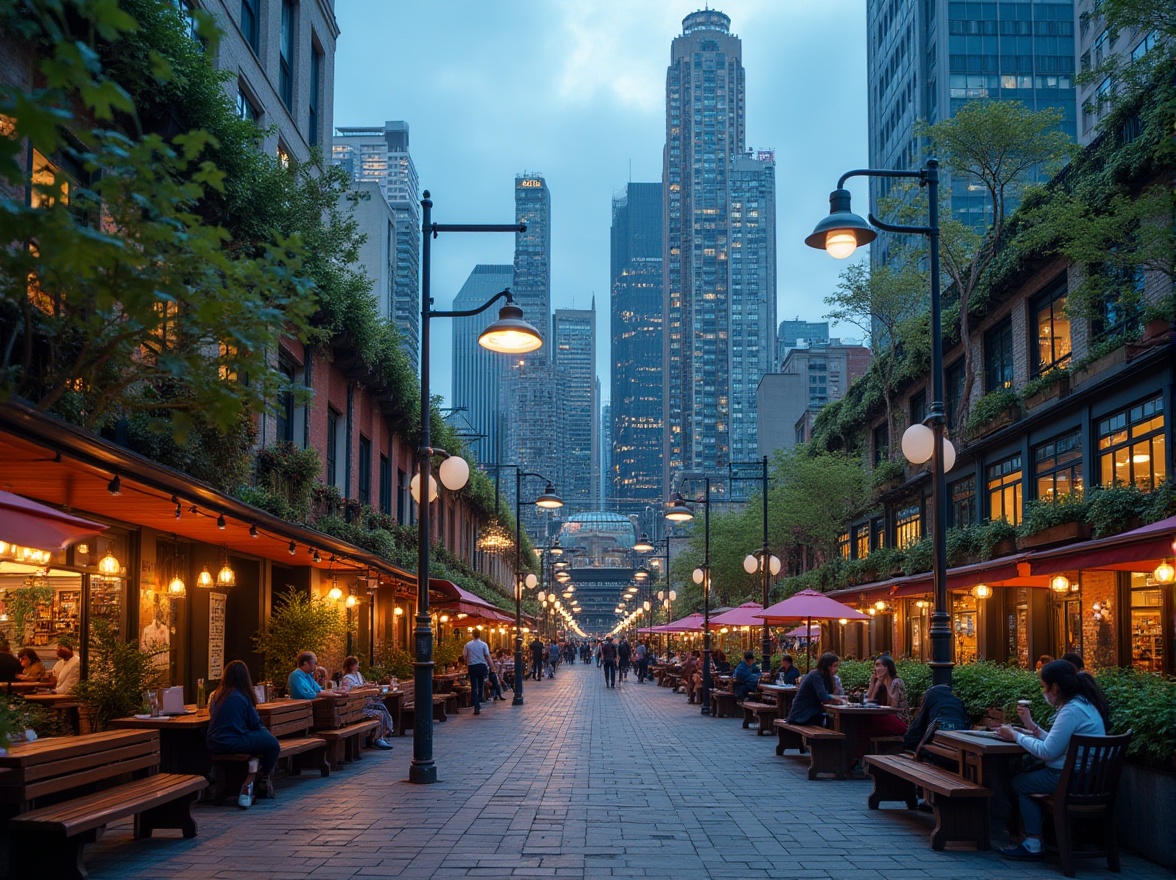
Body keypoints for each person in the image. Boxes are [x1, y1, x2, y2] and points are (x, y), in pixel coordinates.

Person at [997, 659, 1110, 861]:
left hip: (1070, 779)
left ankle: (1033, 842)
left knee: (1018, 783)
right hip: (1087, 779)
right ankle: (1039, 837)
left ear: (1055, 687)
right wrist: (1031, 727)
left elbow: (1048, 751)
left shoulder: (1071, 711)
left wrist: (1016, 736)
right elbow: (1059, 743)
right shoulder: (1084, 705)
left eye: (1044, 686)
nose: (1044, 692)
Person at [206, 660, 280, 809]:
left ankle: (250, 777)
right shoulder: (243, 696)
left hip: (213, 742)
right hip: (234, 741)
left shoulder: (216, 695)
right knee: (272, 745)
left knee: (258, 746)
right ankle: (259, 777)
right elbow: (255, 723)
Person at [852, 655, 911, 768]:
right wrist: (873, 684)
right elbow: (868, 701)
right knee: (861, 723)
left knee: (864, 725)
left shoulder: (896, 682)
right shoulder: (879, 682)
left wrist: (886, 684)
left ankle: (857, 758)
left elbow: (893, 706)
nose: (876, 668)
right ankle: (857, 758)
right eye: (875, 665)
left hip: (899, 720)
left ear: (887, 667)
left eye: (879, 665)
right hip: (885, 718)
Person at [902, 683, 969, 761]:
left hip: (938, 754)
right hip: (959, 752)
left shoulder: (931, 698)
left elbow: (918, 725)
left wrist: (907, 741)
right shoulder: (957, 702)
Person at [339, 656, 394, 748]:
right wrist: (365, 687)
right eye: (356, 665)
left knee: (382, 708)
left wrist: (370, 686)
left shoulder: (359, 675)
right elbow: (354, 689)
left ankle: (380, 737)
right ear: (351, 666)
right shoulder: (347, 678)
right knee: (379, 714)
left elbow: (364, 684)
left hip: (362, 704)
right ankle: (376, 739)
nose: (357, 667)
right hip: (356, 709)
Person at [786, 652, 844, 726]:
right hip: (802, 715)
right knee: (828, 721)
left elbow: (828, 695)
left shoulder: (825, 677)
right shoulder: (815, 675)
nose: (836, 669)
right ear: (827, 666)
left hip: (809, 713)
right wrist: (838, 700)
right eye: (835, 666)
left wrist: (836, 691)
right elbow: (824, 697)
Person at [462, 629, 492, 715]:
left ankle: (476, 704)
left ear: (472, 635)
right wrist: (492, 666)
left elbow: (464, 656)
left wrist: (468, 661)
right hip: (481, 666)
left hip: (472, 667)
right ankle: (478, 700)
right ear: (480, 635)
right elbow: (487, 655)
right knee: (481, 684)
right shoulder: (484, 644)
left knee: (474, 686)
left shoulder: (468, 645)